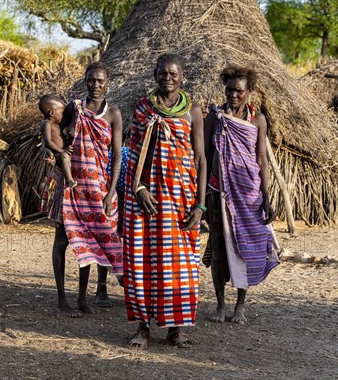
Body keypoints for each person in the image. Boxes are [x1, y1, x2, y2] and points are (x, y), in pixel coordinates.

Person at [123, 53, 206, 349]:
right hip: (147, 199)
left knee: (180, 264)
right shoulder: (143, 108)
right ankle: (143, 329)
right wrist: (140, 189)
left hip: (181, 199)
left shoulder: (193, 111)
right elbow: (133, 153)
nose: (167, 78)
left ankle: (176, 329)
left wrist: (200, 205)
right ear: (154, 74)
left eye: (173, 73)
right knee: (141, 259)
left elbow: (199, 158)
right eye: (162, 73)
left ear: (182, 76)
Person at [41, 61, 123, 316]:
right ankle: (62, 299)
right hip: (70, 186)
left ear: (107, 82)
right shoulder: (73, 109)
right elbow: (52, 130)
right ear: (85, 81)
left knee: (89, 241)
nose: (95, 85)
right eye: (91, 80)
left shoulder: (113, 114)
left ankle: (82, 299)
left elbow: (118, 154)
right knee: (63, 240)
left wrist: (110, 192)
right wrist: (51, 153)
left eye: (100, 81)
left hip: (98, 188)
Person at [204, 65, 279, 325]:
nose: (233, 95)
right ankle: (221, 304)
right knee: (217, 249)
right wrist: (203, 195)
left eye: (239, 91)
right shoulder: (214, 116)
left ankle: (240, 305)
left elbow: (261, 159)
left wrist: (266, 196)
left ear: (249, 92)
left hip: (247, 195)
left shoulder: (257, 119)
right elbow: (205, 155)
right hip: (218, 192)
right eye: (229, 89)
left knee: (245, 249)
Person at [38, 94, 76, 188]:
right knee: (64, 157)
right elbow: (48, 141)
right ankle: (69, 180)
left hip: (63, 150)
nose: (63, 116)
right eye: (62, 113)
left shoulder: (55, 123)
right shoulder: (47, 124)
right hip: (57, 154)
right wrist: (62, 150)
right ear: (52, 113)